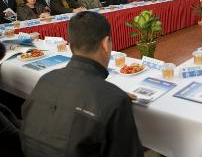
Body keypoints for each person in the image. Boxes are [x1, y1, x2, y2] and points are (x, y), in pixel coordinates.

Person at [20, 11, 144, 157]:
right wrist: (114, 99)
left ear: (71, 44)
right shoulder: (114, 100)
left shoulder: (45, 80)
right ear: (105, 43)